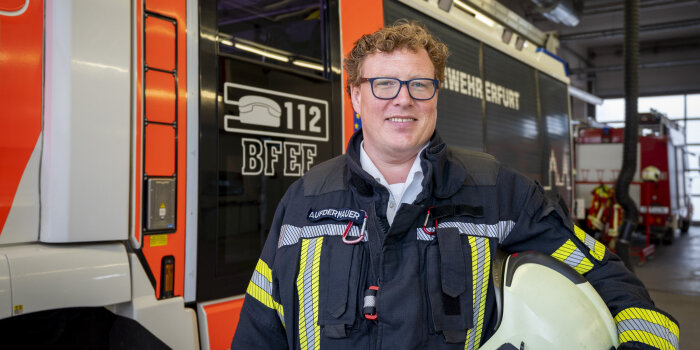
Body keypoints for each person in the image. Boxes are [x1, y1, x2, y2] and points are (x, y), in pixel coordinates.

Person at [231, 21, 679, 350]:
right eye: (384, 84)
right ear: (355, 96)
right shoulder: (304, 201)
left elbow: (603, 273)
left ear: (436, 96)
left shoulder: (496, 192)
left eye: (419, 85)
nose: (403, 99)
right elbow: (259, 329)